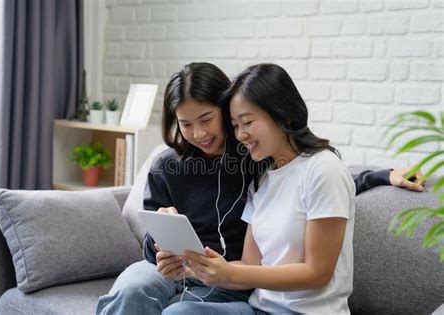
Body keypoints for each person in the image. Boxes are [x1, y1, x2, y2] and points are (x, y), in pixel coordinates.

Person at [96, 63, 423, 315]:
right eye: (185, 124)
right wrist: (162, 250)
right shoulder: (178, 166)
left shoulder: (261, 163)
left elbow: (316, 183)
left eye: (208, 119)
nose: (198, 133)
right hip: (196, 271)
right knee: (134, 289)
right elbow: (296, 189)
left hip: (235, 280)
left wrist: (381, 175)